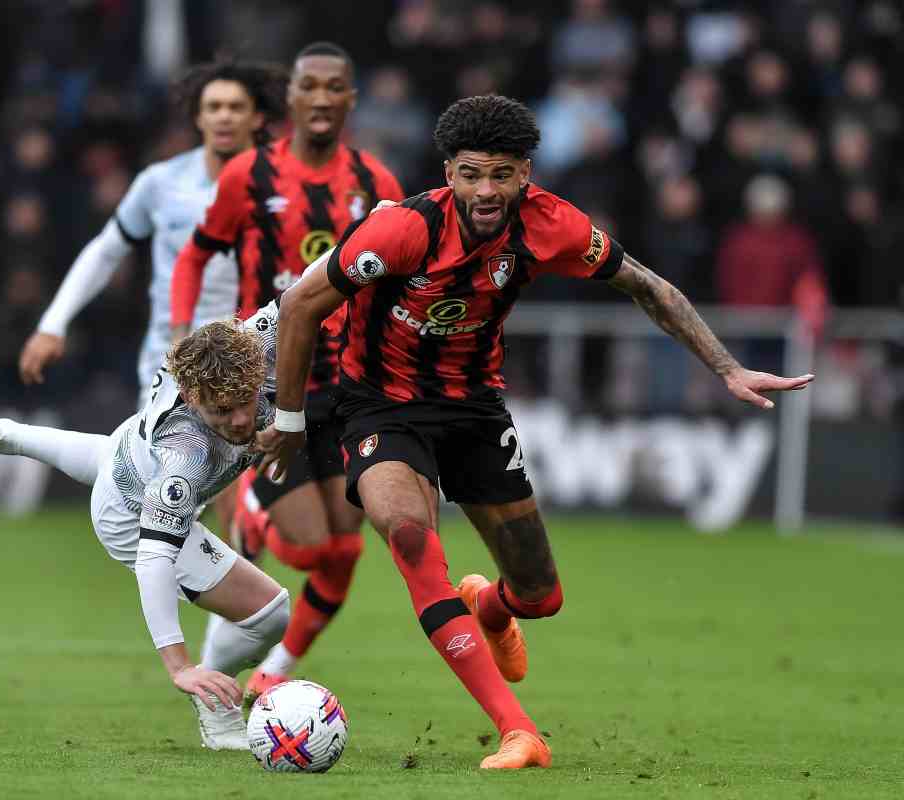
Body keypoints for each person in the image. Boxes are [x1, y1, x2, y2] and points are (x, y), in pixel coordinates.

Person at [259, 94, 814, 770]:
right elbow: (300, 306)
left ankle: (490, 608)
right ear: (448, 172)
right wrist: (289, 420)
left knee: (540, 596)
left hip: (476, 410)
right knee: (410, 536)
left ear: (525, 173)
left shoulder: (554, 225)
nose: (485, 191)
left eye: (500, 174)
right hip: (381, 407)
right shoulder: (402, 230)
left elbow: (649, 289)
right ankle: (519, 731)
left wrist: (727, 368)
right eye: (470, 174)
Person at [168, 42, 404, 699]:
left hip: (348, 387)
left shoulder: (377, 185)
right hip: (273, 383)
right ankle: (249, 502)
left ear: (350, 99)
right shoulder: (249, 175)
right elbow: (195, 255)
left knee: (343, 551)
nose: (323, 99)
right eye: (311, 87)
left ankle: (278, 667)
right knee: (304, 549)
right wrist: (183, 334)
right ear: (292, 99)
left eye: (337, 88)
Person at [0, 304, 291, 750]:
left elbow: (310, 288)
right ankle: (216, 710)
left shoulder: (253, 341)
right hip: (131, 518)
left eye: (246, 401)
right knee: (270, 613)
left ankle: (5, 434)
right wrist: (180, 666)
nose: (242, 420)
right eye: (223, 410)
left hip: (124, 450)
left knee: (110, 458)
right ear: (192, 398)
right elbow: (155, 559)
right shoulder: (185, 455)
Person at [16, 57, 286, 536]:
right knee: (171, 500)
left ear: (257, 118)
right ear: (198, 117)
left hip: (254, 358)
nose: (224, 116)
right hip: (170, 363)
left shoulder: (283, 188)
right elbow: (105, 251)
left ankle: (235, 603)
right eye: (214, 106)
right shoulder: (161, 184)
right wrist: (53, 323)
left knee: (235, 510)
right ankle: (225, 604)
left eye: (235, 107)